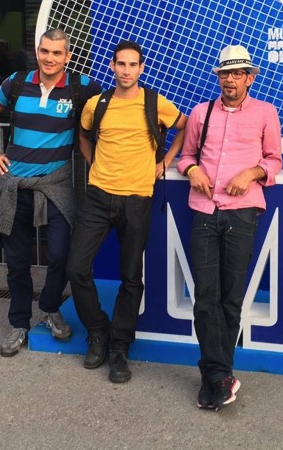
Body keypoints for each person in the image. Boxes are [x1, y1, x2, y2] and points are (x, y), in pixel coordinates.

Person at [66, 39, 187, 384]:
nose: (127, 70)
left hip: (137, 198)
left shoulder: (154, 102)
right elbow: (82, 136)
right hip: (98, 195)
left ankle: (119, 347)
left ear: (141, 68)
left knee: (131, 277)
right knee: (77, 268)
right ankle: (98, 331)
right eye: (121, 64)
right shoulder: (97, 104)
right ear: (112, 66)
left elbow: (186, 126)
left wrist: (165, 162)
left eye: (133, 65)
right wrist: (93, 163)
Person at [176, 45, 282, 411]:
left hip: (242, 214)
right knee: (205, 297)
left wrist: (250, 173)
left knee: (230, 297)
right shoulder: (200, 113)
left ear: (250, 78)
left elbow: (274, 160)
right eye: (225, 73)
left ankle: (216, 376)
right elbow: (186, 156)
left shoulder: (266, 113)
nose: (230, 80)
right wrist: (192, 170)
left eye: (237, 74)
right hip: (204, 212)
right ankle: (219, 376)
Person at [0, 28, 101, 357]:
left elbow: (112, 112)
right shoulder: (16, 82)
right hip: (15, 185)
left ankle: (50, 308)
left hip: (55, 186)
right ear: (38, 52)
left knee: (62, 255)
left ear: (68, 56)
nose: (50, 58)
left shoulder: (82, 87)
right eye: (44, 51)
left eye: (57, 53)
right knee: (17, 262)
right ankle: (19, 323)